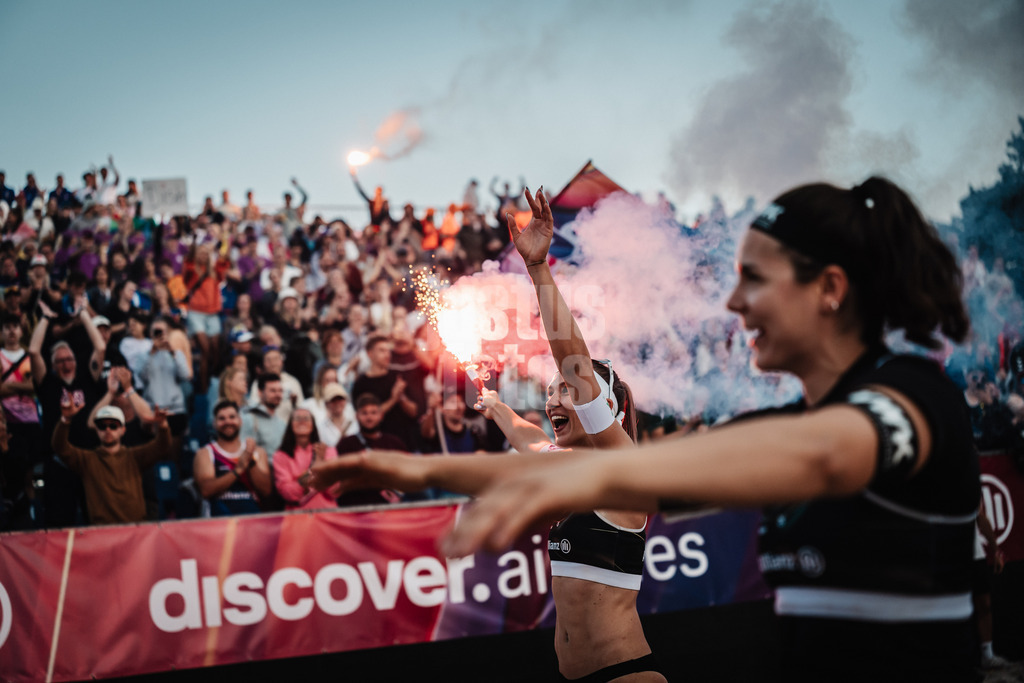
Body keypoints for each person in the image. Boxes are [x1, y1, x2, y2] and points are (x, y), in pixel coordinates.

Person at [445, 179, 978, 682]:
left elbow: (827, 454)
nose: (732, 302)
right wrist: (471, 420)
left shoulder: (911, 401)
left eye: (756, 279)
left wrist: (540, 271)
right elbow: (531, 440)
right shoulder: (790, 421)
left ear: (831, 288)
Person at [312, 188, 664, 682]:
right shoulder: (563, 465)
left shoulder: (620, 472)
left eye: (569, 392)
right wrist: (498, 407)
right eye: (552, 391)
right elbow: (527, 439)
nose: (553, 399)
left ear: (604, 407)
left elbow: (575, 361)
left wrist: (539, 269)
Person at [52, 399, 171, 525]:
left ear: (123, 430)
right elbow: (60, 447)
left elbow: (163, 446)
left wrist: (163, 425)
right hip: (101, 532)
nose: (108, 430)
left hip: (135, 531)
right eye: (102, 426)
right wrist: (65, 420)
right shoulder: (86, 459)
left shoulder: (134, 456)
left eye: (113, 426)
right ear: (96, 429)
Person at [193, 399, 272, 517]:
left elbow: (266, 491)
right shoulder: (205, 453)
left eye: (232, 417)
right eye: (222, 418)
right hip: (218, 523)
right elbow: (206, 490)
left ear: (240, 421)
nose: (227, 422)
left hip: (252, 522)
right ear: (214, 423)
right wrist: (238, 470)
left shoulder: (256, 452)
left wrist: (250, 462)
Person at [272, 407, 340, 511]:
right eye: (297, 418)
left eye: (306, 418)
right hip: (297, 515)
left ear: (313, 425)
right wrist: (318, 467)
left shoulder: (327, 451)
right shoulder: (280, 455)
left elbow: (335, 491)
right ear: (290, 425)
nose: (302, 421)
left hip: (326, 514)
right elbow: (287, 493)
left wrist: (301, 481)